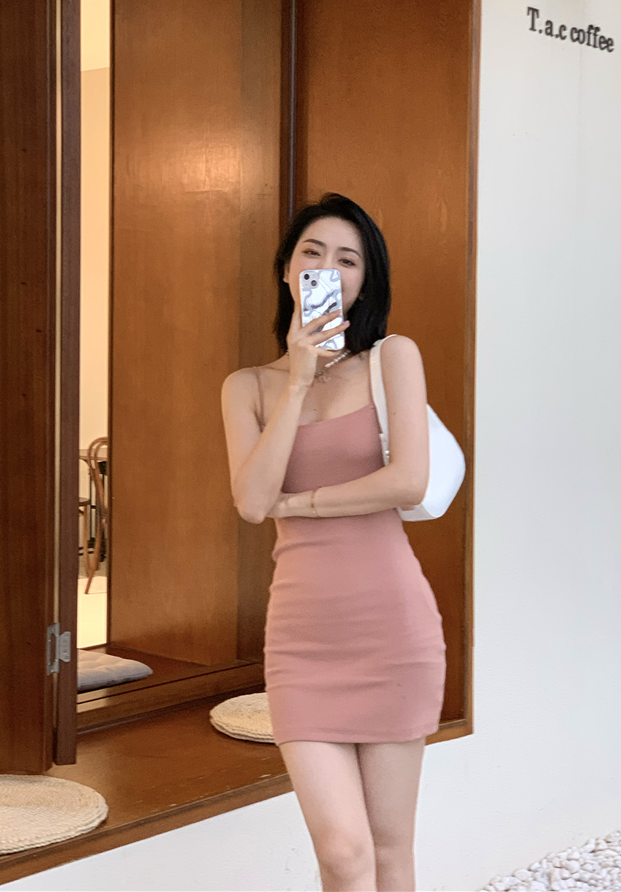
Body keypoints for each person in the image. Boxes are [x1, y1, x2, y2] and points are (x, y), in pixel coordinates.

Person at [221, 193, 447, 892]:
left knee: (390, 850)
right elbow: (252, 502)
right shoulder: (247, 387)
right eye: (312, 253)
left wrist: (304, 504)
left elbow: (408, 481)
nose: (328, 267)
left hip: (394, 628)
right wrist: (297, 379)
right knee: (343, 854)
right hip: (303, 642)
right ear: (287, 271)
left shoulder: (392, 358)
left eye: (348, 259)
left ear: (364, 280)